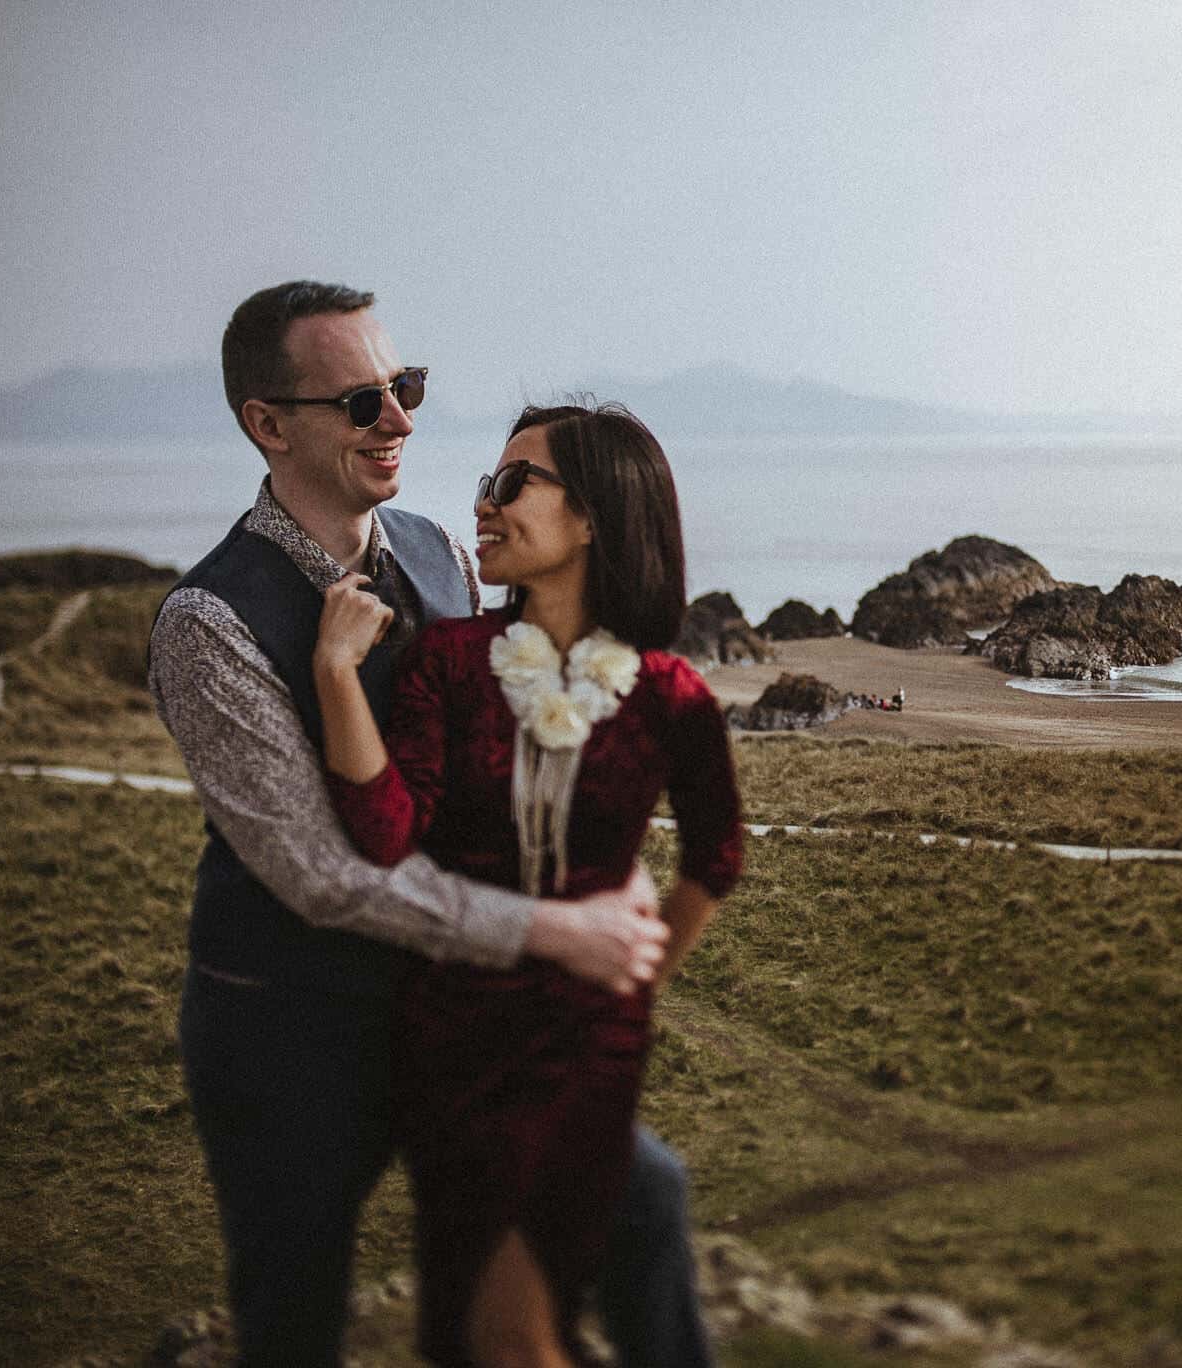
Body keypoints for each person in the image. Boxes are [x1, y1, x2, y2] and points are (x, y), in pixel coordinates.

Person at [148, 281, 713, 1367]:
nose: (401, 421)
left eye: (403, 388)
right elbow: (321, 878)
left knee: (643, 1202)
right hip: (289, 1030)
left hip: (451, 1012)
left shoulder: (438, 551)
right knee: (294, 1324)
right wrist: (553, 934)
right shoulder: (207, 624)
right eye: (362, 403)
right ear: (268, 425)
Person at [313, 401, 742, 1366]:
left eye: (512, 485)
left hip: (590, 1054)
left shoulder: (669, 694)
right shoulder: (449, 665)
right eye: (483, 486)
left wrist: (632, 979)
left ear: (593, 517)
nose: (484, 507)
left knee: (517, 1333)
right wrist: (339, 675)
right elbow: (384, 836)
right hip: (454, 1045)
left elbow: (717, 854)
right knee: (481, 1333)